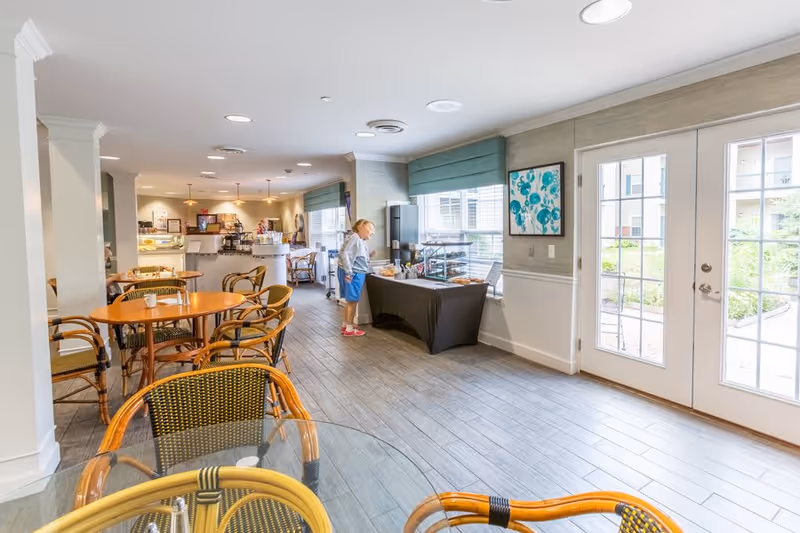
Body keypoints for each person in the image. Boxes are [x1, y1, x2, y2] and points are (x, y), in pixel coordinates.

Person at [337, 219, 375, 337]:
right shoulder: (355, 238)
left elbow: (356, 256)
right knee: (353, 301)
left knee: (350, 301)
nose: (372, 232)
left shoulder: (358, 240)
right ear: (361, 227)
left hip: (353, 272)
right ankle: (349, 328)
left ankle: (346, 325)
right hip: (354, 274)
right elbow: (346, 254)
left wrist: (369, 256)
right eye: (370, 229)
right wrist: (349, 273)